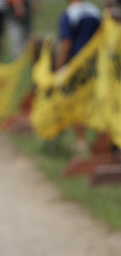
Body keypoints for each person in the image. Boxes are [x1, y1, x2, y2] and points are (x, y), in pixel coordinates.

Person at [55, 0, 101, 151]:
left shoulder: (69, 14)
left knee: (76, 101)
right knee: (96, 101)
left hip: (76, 64)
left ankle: (81, 140)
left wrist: (60, 67)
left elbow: (66, 43)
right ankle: (101, 140)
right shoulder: (95, 11)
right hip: (96, 63)